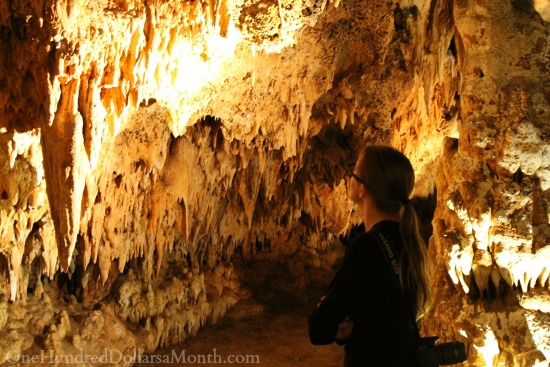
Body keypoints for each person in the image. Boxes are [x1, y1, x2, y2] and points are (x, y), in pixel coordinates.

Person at [308, 145, 432, 367]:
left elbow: (319, 328)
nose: (350, 176)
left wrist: (333, 317)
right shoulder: (409, 242)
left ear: (363, 189)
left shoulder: (366, 247)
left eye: (355, 170)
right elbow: (384, 317)